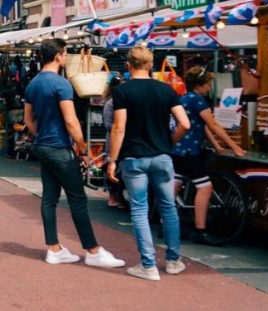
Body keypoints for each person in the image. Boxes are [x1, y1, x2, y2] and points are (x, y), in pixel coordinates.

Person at [24, 40, 125, 269]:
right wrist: (83, 147)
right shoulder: (62, 84)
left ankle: (54, 248)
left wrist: (41, 135)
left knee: (49, 197)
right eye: (66, 53)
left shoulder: (33, 84)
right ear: (59, 56)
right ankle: (92, 250)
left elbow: (29, 119)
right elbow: (70, 121)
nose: (67, 57)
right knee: (77, 199)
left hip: (43, 146)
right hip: (59, 147)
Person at [107, 46, 190, 281]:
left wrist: (112, 160)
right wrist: (168, 142)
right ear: (151, 65)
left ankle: (148, 265)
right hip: (162, 156)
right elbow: (184, 124)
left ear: (128, 65)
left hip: (135, 158)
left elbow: (119, 127)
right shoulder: (166, 90)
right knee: (168, 207)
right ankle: (173, 261)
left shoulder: (123, 92)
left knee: (140, 210)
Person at [172, 67, 247, 244]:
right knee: (205, 188)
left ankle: (168, 224)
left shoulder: (183, 99)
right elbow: (212, 125)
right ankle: (200, 229)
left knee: (174, 186)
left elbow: (202, 126)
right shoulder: (198, 101)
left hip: (177, 150)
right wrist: (234, 146)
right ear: (200, 85)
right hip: (191, 151)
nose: (209, 88)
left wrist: (216, 146)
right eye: (208, 84)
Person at [102, 75, 127, 208]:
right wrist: (120, 128)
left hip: (124, 137)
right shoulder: (110, 103)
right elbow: (108, 124)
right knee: (111, 165)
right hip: (113, 138)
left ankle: (120, 196)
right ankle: (113, 196)